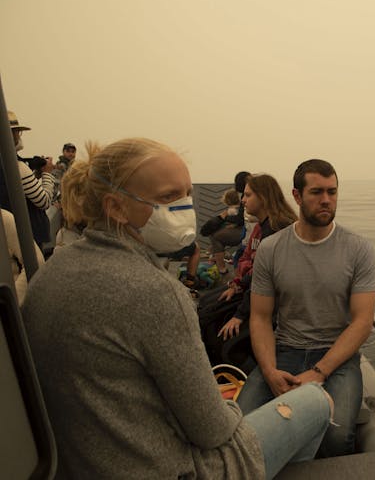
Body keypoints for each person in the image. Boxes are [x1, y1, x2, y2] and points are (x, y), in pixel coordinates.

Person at [22, 139, 333, 479]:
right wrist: (225, 406)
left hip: (89, 460)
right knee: (316, 400)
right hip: (169, 469)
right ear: (116, 207)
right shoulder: (155, 291)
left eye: (186, 194)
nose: (185, 206)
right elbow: (212, 431)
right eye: (169, 197)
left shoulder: (53, 269)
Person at [237, 159, 375, 457]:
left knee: (337, 437)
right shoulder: (272, 249)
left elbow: (363, 321)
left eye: (332, 192)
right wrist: (269, 370)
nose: (326, 200)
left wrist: (319, 371)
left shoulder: (358, 248)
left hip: (337, 357)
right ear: (297, 196)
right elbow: (260, 318)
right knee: (240, 428)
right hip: (285, 350)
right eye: (316, 192)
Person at [198, 174, 297, 370]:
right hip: (254, 290)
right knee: (206, 303)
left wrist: (239, 316)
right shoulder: (263, 227)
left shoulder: (277, 229)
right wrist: (237, 285)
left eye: (248, 195)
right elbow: (252, 266)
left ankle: (237, 372)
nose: (243, 200)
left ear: (264, 197)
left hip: (273, 302)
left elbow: (264, 279)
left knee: (212, 323)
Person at [3, 111, 55, 247]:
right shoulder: (18, 167)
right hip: (28, 238)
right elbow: (44, 201)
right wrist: (47, 174)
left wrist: (34, 176)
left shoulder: (6, 164)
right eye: (16, 132)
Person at [206, 172, 249, 274]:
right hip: (244, 227)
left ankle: (221, 268)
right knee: (216, 233)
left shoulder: (246, 195)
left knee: (215, 236)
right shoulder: (247, 195)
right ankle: (217, 257)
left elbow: (241, 218)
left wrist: (225, 218)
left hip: (245, 230)